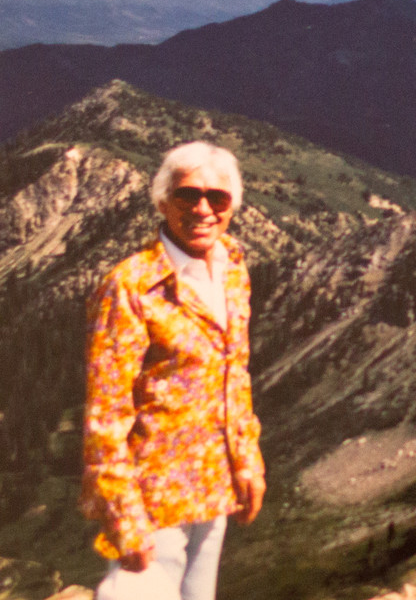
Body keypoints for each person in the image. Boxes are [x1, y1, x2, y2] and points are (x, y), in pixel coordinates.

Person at [81, 142, 265, 600]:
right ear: (162, 201)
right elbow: (106, 414)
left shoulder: (233, 269)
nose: (203, 209)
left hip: (212, 485)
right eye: (188, 195)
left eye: (217, 198)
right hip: (152, 499)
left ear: (232, 208)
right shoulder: (132, 286)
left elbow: (234, 375)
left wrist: (247, 459)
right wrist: (124, 517)